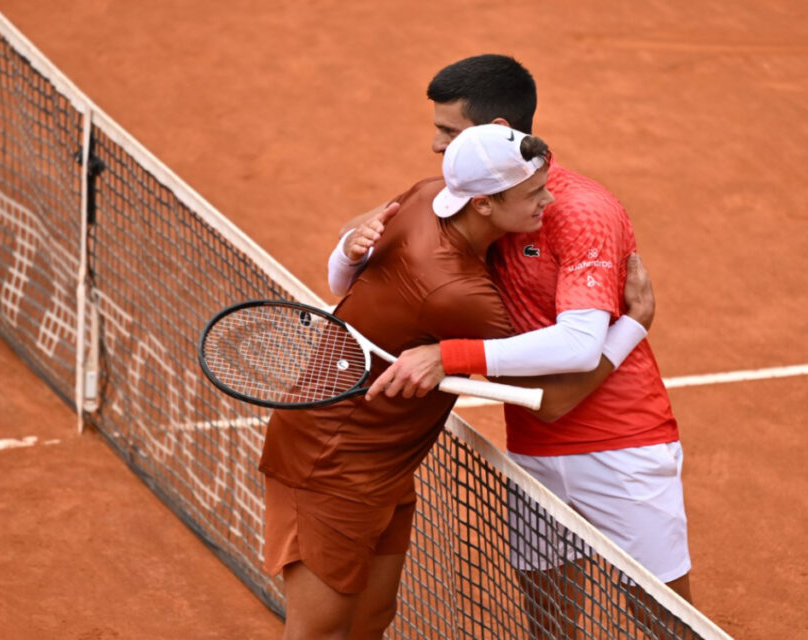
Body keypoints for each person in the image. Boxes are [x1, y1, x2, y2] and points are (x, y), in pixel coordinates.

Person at [331, 54, 692, 637]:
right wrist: (351, 244)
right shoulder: (458, 196)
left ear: (497, 133)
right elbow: (366, 273)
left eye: (448, 133)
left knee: (663, 621)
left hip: (622, 447)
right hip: (532, 438)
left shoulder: (580, 212)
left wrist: (450, 357)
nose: (435, 145)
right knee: (549, 624)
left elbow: (577, 348)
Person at [259, 124, 653, 640]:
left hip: (384, 461)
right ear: (485, 204)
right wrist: (632, 325)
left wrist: (347, 251)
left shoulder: (426, 196)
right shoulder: (461, 296)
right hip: (331, 463)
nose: (549, 199)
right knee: (322, 631)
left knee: (372, 620)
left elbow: (342, 280)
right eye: (533, 193)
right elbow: (559, 388)